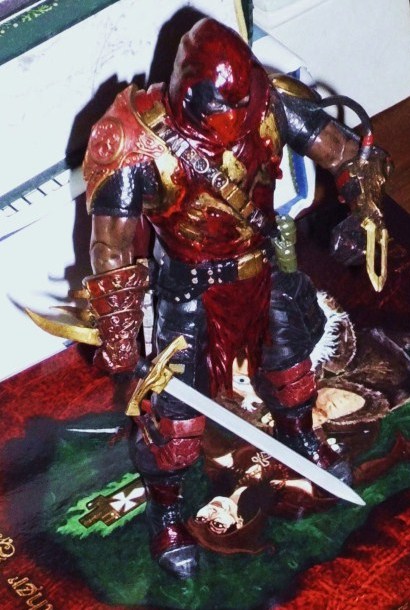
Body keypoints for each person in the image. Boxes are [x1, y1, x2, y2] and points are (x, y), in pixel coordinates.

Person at [80, 18, 390, 578]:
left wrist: (360, 207)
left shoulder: (269, 101)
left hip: (260, 270)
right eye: (217, 109)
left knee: (291, 370)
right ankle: (166, 511)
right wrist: (123, 344)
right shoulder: (131, 138)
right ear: (186, 94)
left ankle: (300, 438)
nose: (230, 123)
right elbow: (111, 250)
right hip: (187, 290)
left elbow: (348, 152)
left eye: (238, 105)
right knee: (174, 421)